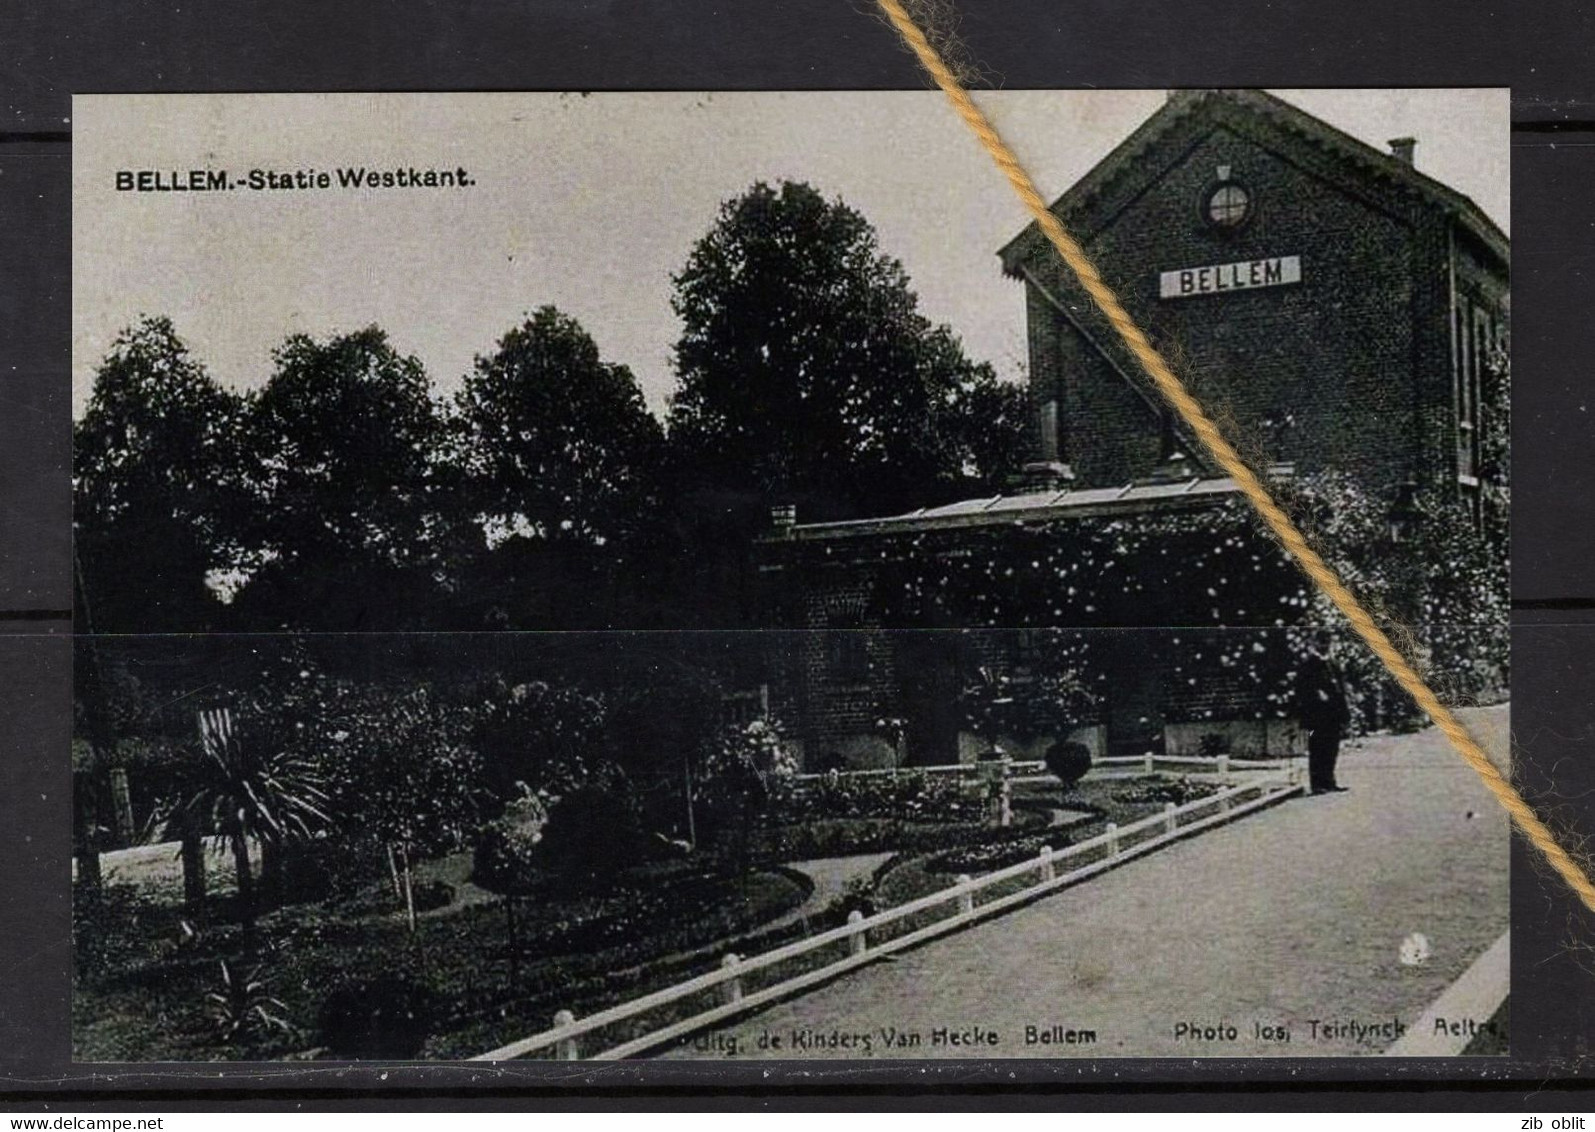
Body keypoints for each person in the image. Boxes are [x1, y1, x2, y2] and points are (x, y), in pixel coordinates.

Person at [1294, 648, 1350, 794]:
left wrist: (1343, 712)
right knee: (1317, 748)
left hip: (1333, 714)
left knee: (1332, 749)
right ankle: (1317, 784)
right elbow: (1302, 688)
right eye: (1321, 642)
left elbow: (1341, 689)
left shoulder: (1333, 664)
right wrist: (1316, 694)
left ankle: (1329, 781)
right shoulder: (1308, 665)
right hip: (1316, 716)